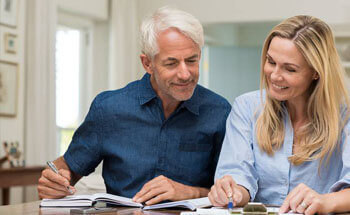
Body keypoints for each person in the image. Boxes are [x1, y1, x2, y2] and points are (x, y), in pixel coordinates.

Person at [37, 7, 231, 205]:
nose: (185, 74)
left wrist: (186, 192)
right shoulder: (108, 109)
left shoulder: (219, 112)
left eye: (191, 60)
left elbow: (231, 192)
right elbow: (66, 170)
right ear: (147, 64)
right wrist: (53, 183)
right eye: (171, 63)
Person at [208, 15, 350, 215]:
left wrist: (326, 201)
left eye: (290, 69)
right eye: (271, 61)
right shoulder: (247, 107)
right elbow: (238, 175)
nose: (274, 75)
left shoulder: (345, 117)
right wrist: (233, 192)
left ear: (316, 72)